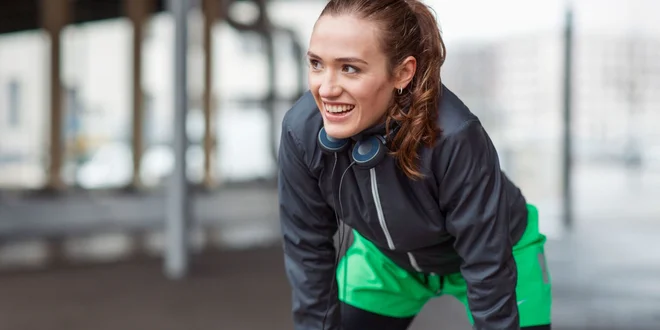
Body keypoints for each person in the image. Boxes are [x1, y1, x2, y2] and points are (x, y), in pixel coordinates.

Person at [277, 0, 552, 329]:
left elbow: (486, 264)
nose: (327, 88)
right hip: (387, 262)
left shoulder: (454, 136)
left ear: (402, 72)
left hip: (499, 252)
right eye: (317, 64)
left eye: (350, 68)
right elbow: (306, 250)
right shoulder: (301, 130)